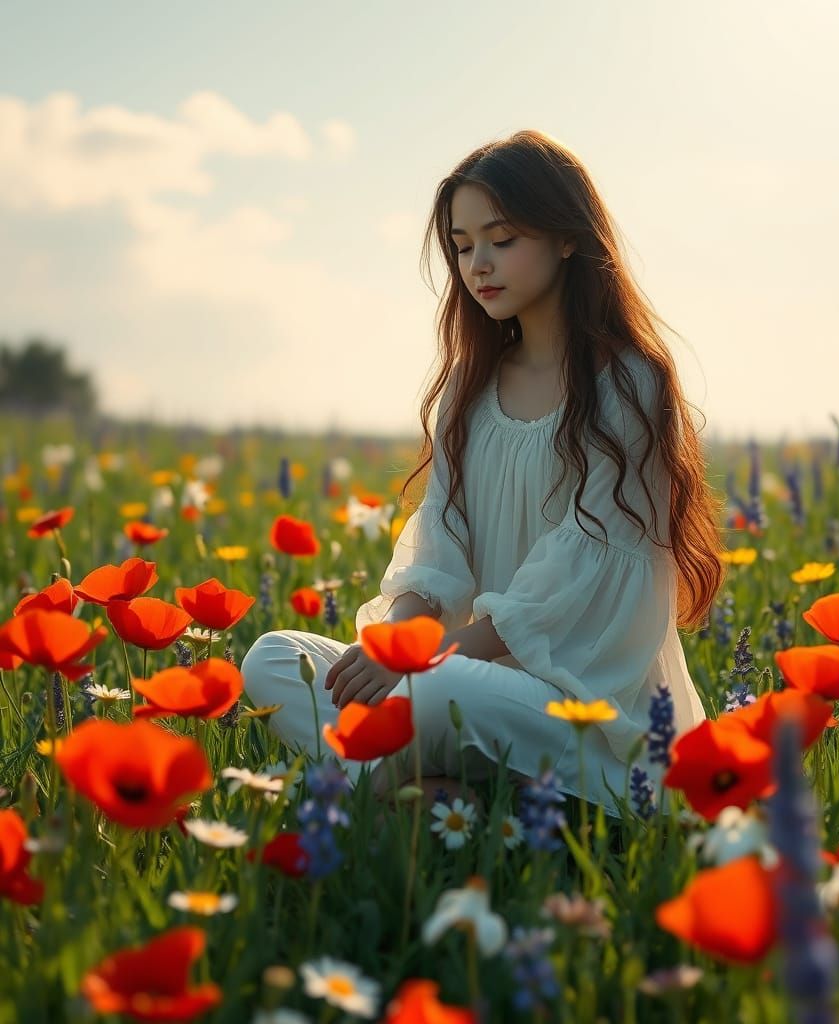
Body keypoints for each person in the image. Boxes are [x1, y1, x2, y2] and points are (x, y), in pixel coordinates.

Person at [241, 129, 727, 820]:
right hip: (460, 677)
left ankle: (375, 804)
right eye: (463, 247)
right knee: (272, 660)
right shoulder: (470, 386)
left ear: (565, 237)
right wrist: (398, 647)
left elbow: (577, 573)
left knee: (428, 697)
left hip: (579, 706)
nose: (479, 265)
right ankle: (444, 804)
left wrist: (421, 665)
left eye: (501, 239)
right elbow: (441, 538)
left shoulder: (629, 383)